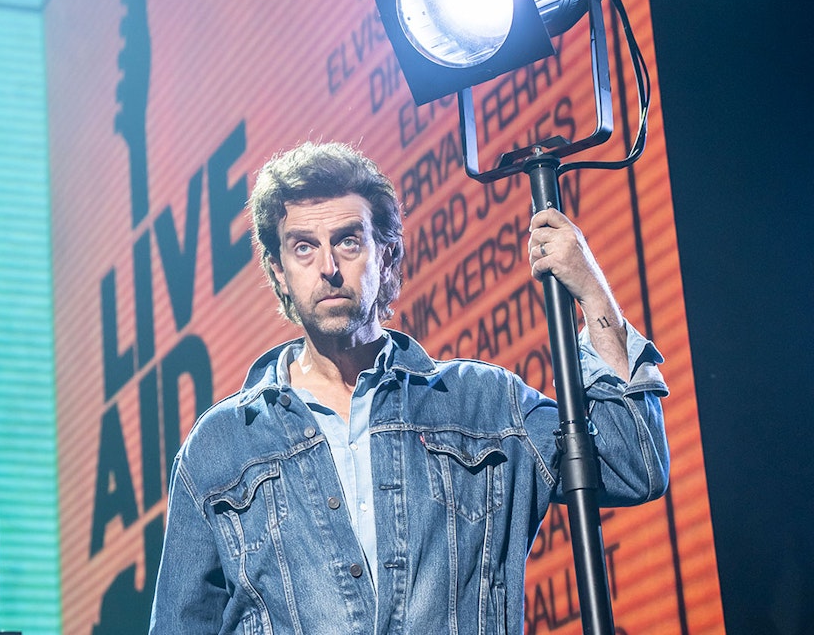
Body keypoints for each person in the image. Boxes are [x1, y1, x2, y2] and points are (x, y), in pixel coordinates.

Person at [148, 141, 669, 634]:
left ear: (386, 255)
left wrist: (591, 291)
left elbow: (634, 464)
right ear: (278, 271)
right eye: (303, 247)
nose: (328, 268)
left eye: (348, 241)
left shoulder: (484, 405)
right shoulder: (220, 448)